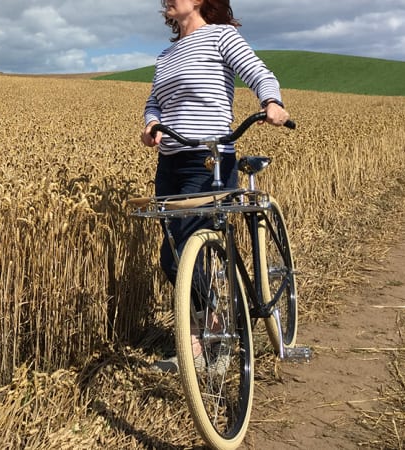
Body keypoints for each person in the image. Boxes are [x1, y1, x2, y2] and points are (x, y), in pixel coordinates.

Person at [140, 0, 290, 371]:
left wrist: (271, 102)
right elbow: (154, 100)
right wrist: (151, 124)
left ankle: (205, 336)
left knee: (190, 247)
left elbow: (258, 73)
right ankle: (211, 327)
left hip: (209, 160)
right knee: (173, 254)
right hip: (170, 161)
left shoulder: (222, 36)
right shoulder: (167, 53)